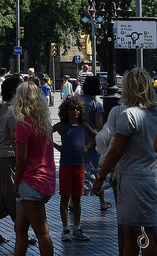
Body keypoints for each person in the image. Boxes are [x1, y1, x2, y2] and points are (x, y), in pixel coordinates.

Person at [93, 68, 157, 256]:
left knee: (143, 234)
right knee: (131, 233)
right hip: (150, 176)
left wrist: (100, 177)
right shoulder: (154, 114)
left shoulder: (128, 116)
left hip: (134, 181)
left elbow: (116, 151)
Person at [12, 79, 56, 256]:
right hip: (45, 180)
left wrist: (15, 183)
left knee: (42, 232)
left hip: (31, 182)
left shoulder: (22, 124)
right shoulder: (44, 124)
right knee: (20, 228)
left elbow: (21, 159)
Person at [52, 95, 96, 242]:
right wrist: (57, 147)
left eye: (78, 109)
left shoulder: (83, 125)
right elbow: (46, 134)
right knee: (64, 197)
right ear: (66, 110)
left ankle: (77, 228)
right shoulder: (62, 125)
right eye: (72, 109)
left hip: (79, 167)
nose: (75, 111)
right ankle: (65, 229)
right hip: (65, 166)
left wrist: (87, 147)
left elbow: (95, 137)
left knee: (77, 198)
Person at [0, 74, 21, 245]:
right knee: (13, 194)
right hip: (9, 157)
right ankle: (20, 232)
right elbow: (15, 139)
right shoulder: (15, 111)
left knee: (3, 191)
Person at [81, 74, 111, 212]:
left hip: (79, 138)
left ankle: (72, 200)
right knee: (97, 171)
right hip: (93, 141)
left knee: (79, 169)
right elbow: (99, 126)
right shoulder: (96, 105)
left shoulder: (77, 101)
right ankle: (102, 202)